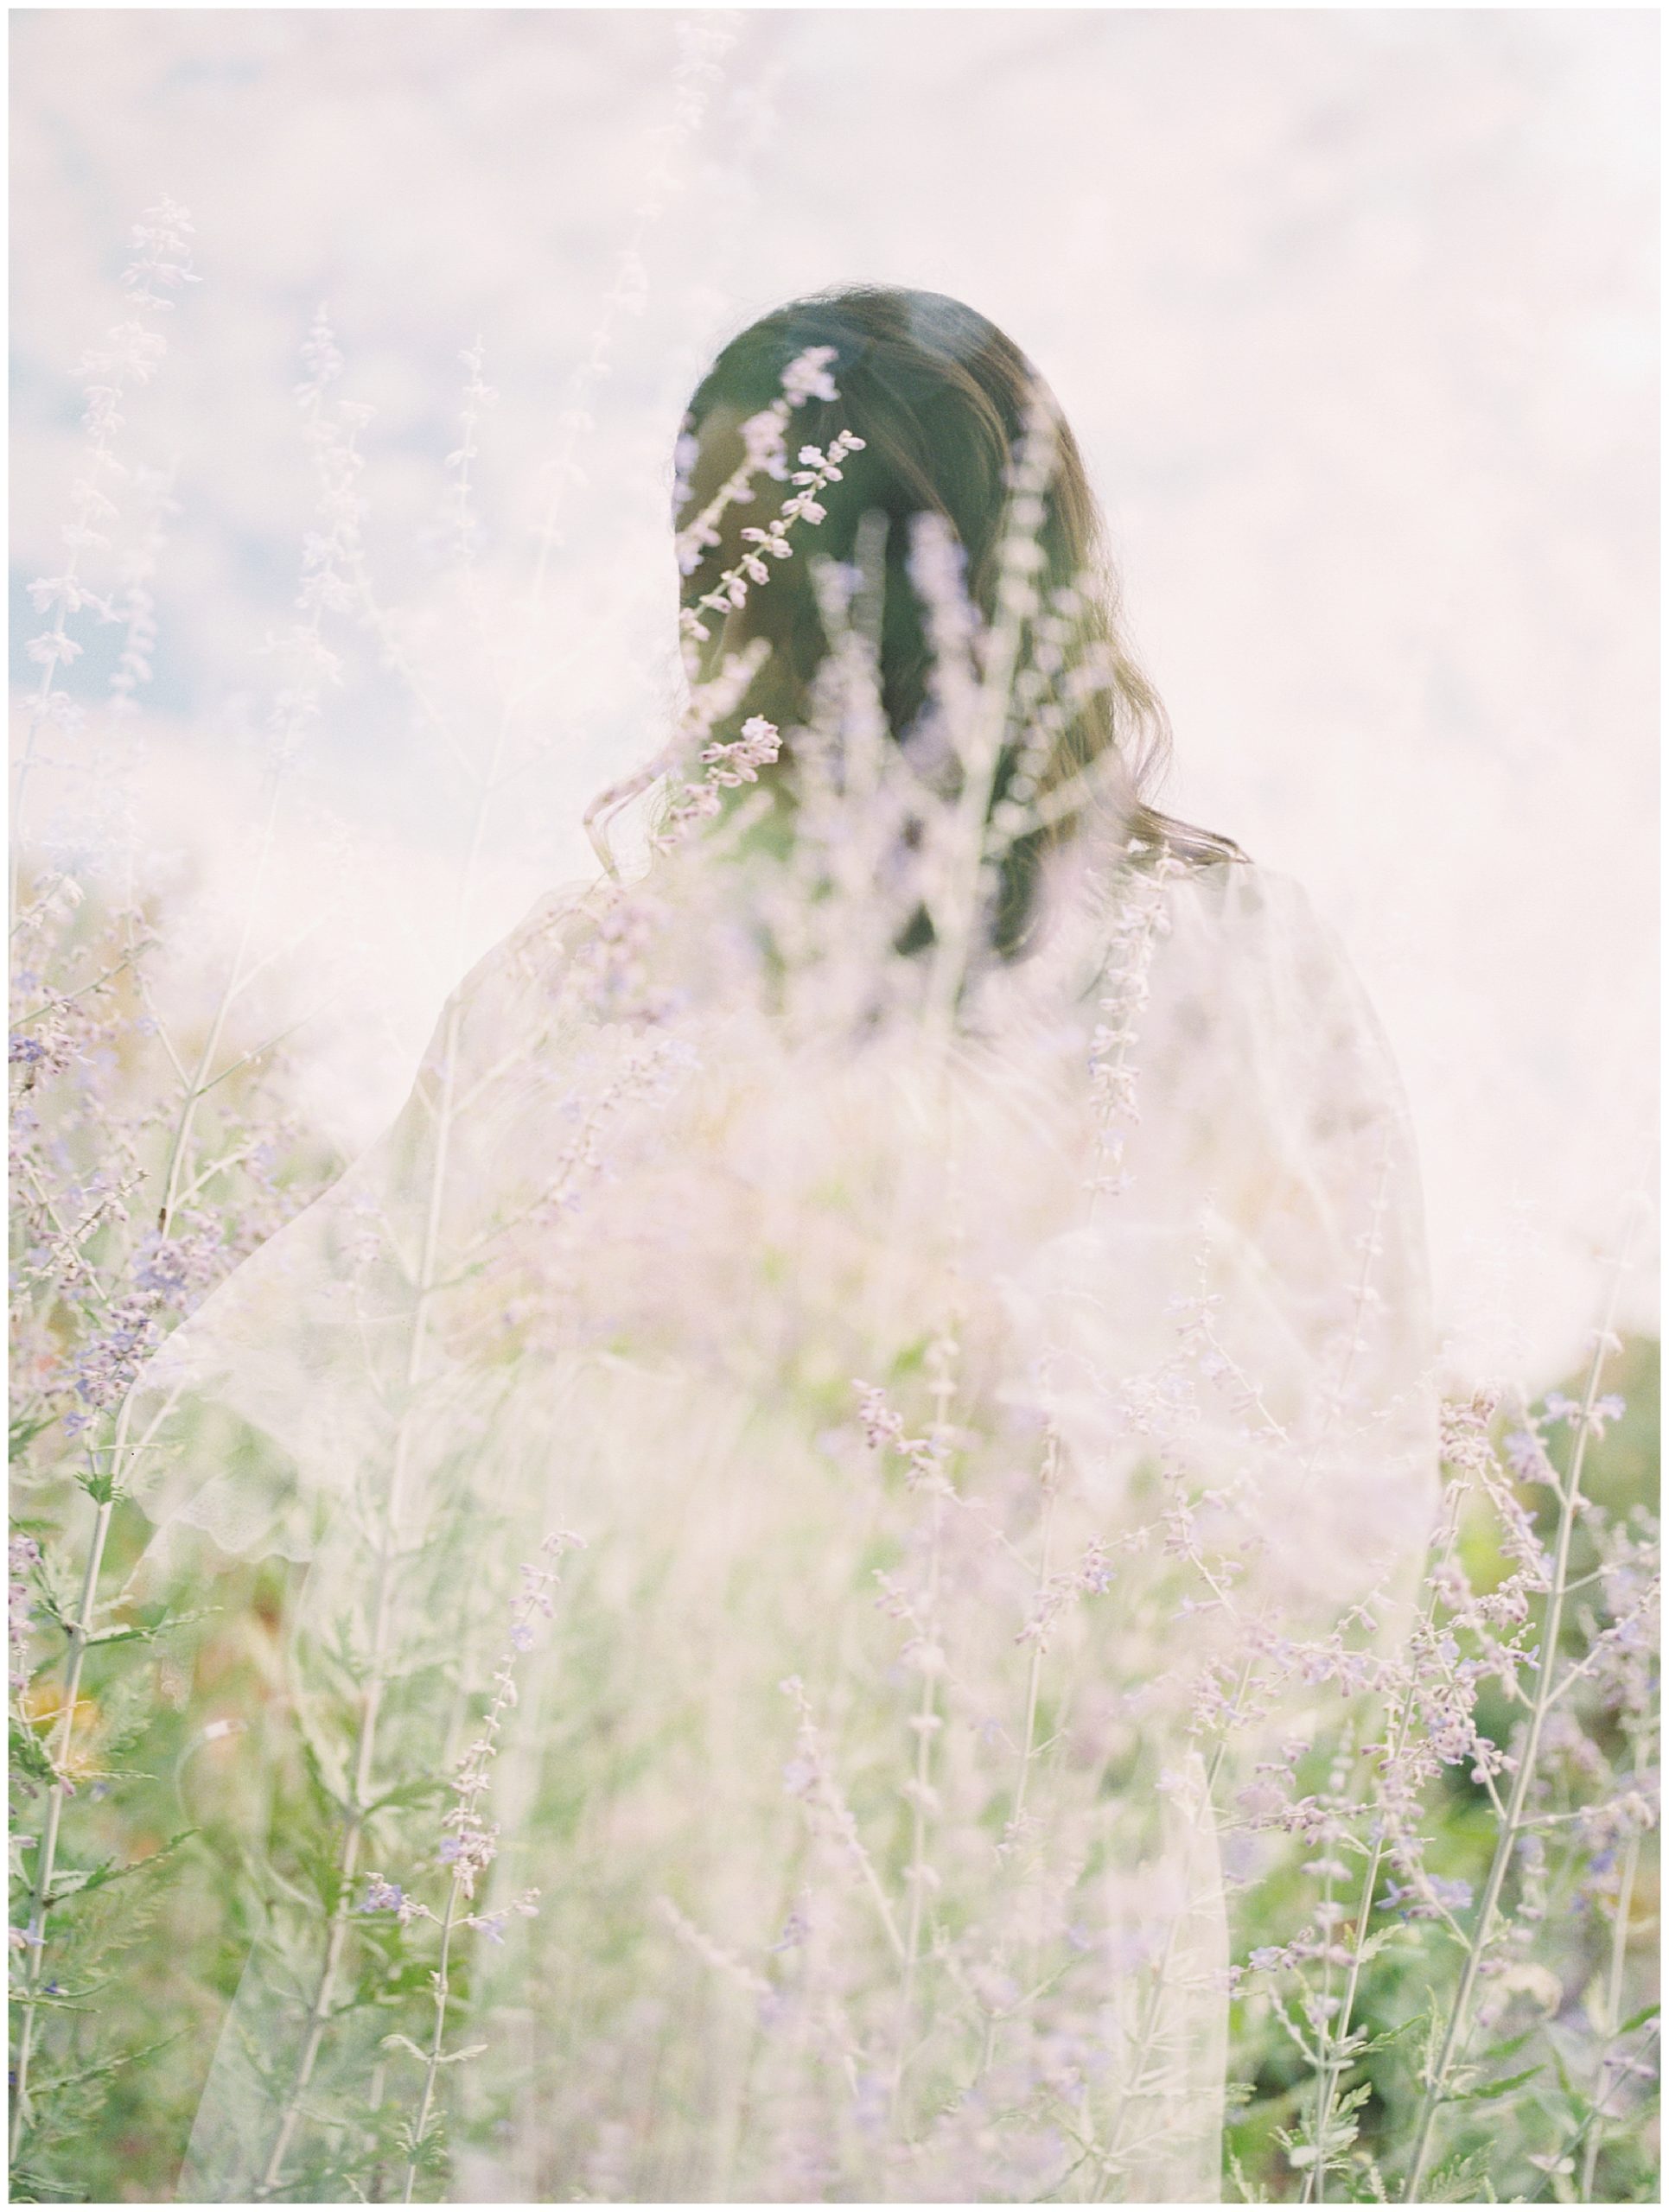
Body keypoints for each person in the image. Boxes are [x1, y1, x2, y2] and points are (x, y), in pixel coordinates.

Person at [135, 286, 1437, 2202]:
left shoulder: (1199, 961)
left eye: (840, 542)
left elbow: (1302, 1466)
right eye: (729, 548)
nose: (771, 609)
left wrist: (782, 1291)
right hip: (583, 1888)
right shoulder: (581, 978)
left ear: (996, 557)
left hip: (985, 1919)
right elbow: (313, 1406)